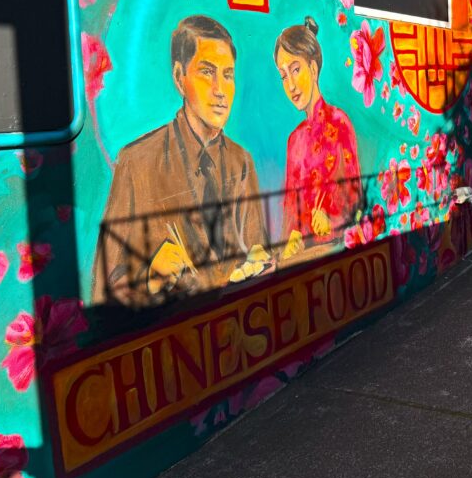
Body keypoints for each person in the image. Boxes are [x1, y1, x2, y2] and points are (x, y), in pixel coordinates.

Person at [92, 16, 269, 307]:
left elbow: (254, 249)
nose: (220, 89)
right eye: (207, 72)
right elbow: (103, 289)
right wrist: (149, 278)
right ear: (179, 77)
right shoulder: (137, 163)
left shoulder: (242, 163)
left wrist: (260, 264)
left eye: (228, 74)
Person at [274, 16, 362, 259]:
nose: (290, 84)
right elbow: (291, 211)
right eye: (283, 76)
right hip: (304, 260)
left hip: (338, 255)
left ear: (313, 69)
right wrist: (291, 237)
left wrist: (331, 220)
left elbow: (355, 200)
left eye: (295, 69)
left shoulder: (340, 124)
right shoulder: (294, 141)